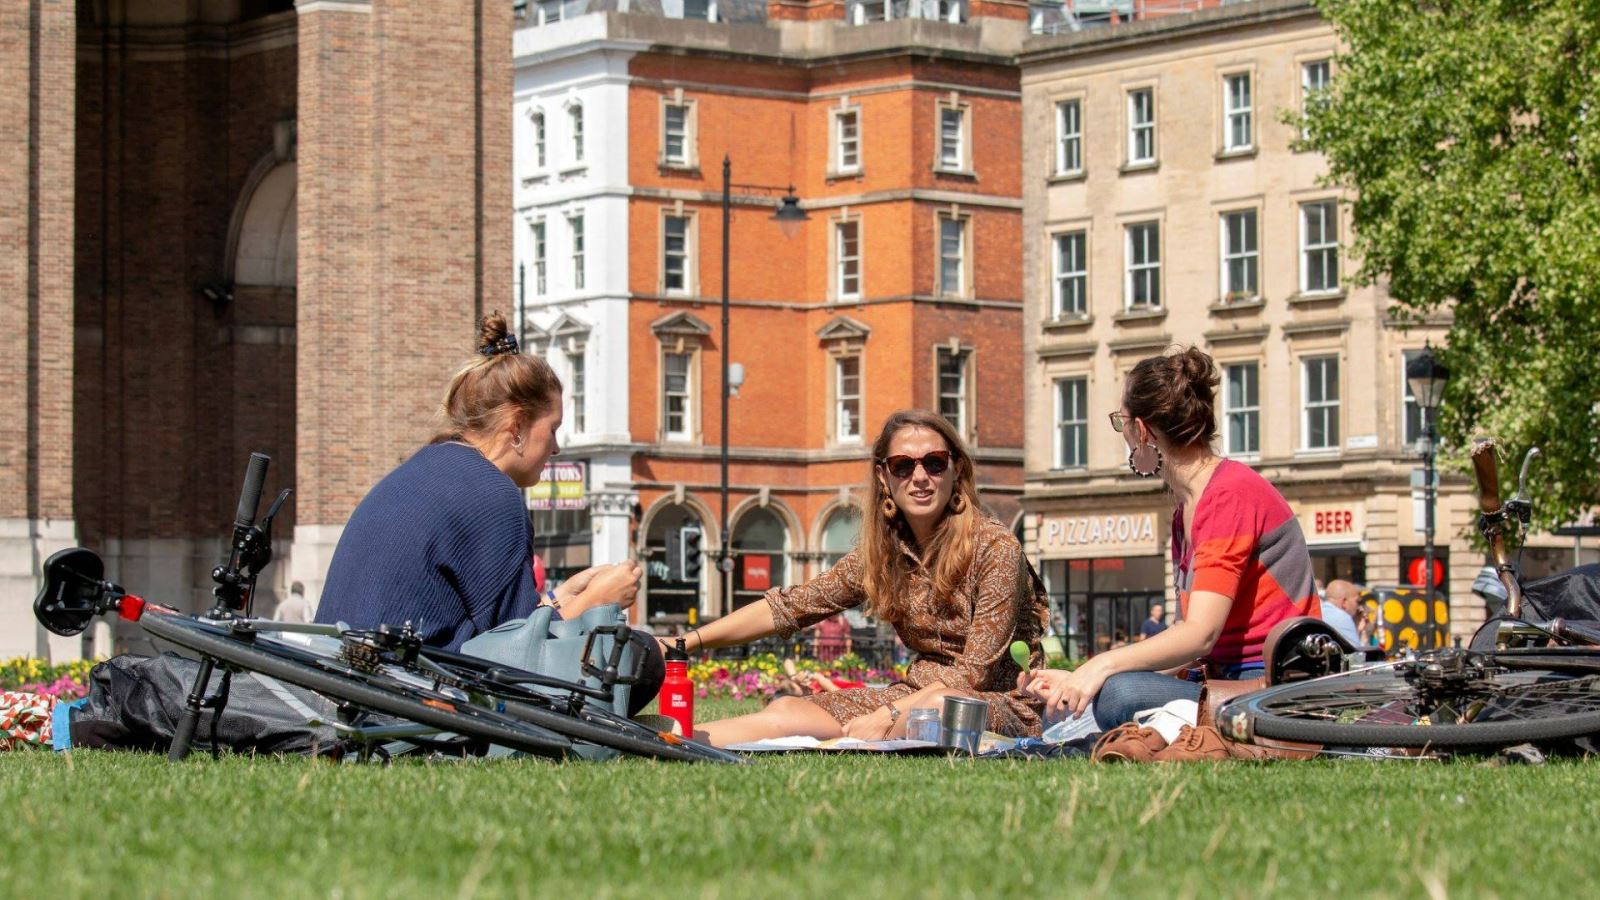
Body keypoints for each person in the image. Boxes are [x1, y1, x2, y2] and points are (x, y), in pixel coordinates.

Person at [313, 313, 658, 711]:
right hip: (400, 704)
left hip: (337, 685)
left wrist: (559, 600)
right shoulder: (495, 495)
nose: (556, 448)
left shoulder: (424, 466)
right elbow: (516, 661)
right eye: (553, 428)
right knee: (642, 656)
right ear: (516, 425)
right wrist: (596, 602)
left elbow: (497, 626)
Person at [668, 409, 1049, 747]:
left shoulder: (996, 547)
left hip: (996, 703)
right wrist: (684, 643)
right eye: (903, 465)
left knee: (936, 705)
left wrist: (887, 716)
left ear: (957, 469)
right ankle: (667, 738)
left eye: (934, 462)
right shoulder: (884, 552)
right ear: (884, 476)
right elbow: (793, 607)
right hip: (912, 696)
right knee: (789, 709)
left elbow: (973, 674)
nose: (919, 477)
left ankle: (893, 724)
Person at [1019, 347, 1319, 731]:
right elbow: (1185, 642)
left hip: (1267, 688)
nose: (1124, 435)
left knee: (1118, 695)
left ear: (1142, 431)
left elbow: (1200, 635)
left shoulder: (1227, 495)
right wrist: (1078, 678)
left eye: (1121, 423)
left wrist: (1101, 667)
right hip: (1230, 682)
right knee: (1106, 694)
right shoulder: (1190, 507)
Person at [1320, 580, 1364, 646]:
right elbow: (1358, 654)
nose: (1359, 607)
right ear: (1344, 602)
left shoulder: (1318, 611)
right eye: (1357, 602)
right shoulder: (1342, 618)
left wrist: (1356, 625)